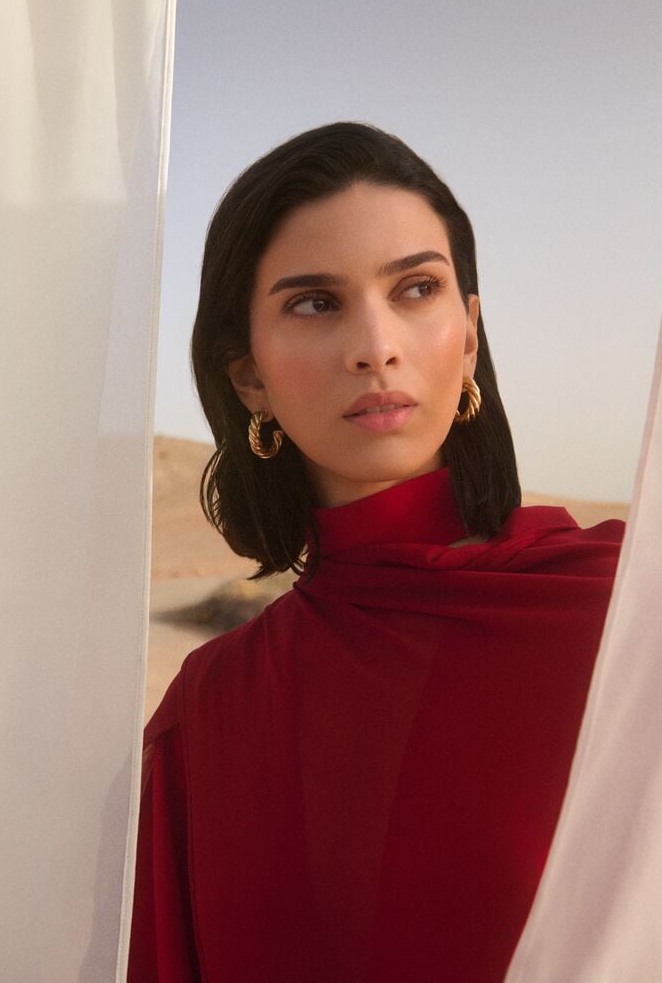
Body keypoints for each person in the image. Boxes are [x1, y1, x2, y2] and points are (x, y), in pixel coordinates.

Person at [128, 123, 623, 981]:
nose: (375, 344)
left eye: (417, 289)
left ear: (468, 332)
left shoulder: (632, 608)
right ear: (250, 375)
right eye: (315, 302)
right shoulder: (205, 719)